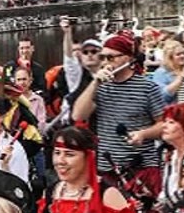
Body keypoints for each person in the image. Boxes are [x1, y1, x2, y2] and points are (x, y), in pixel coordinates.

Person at [71, 32, 166, 175]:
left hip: (141, 166)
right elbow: (78, 115)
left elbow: (163, 124)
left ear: (128, 58)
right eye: (102, 57)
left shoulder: (148, 88)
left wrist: (144, 134)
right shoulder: (100, 87)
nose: (105, 62)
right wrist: (95, 83)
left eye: (110, 57)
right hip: (108, 167)